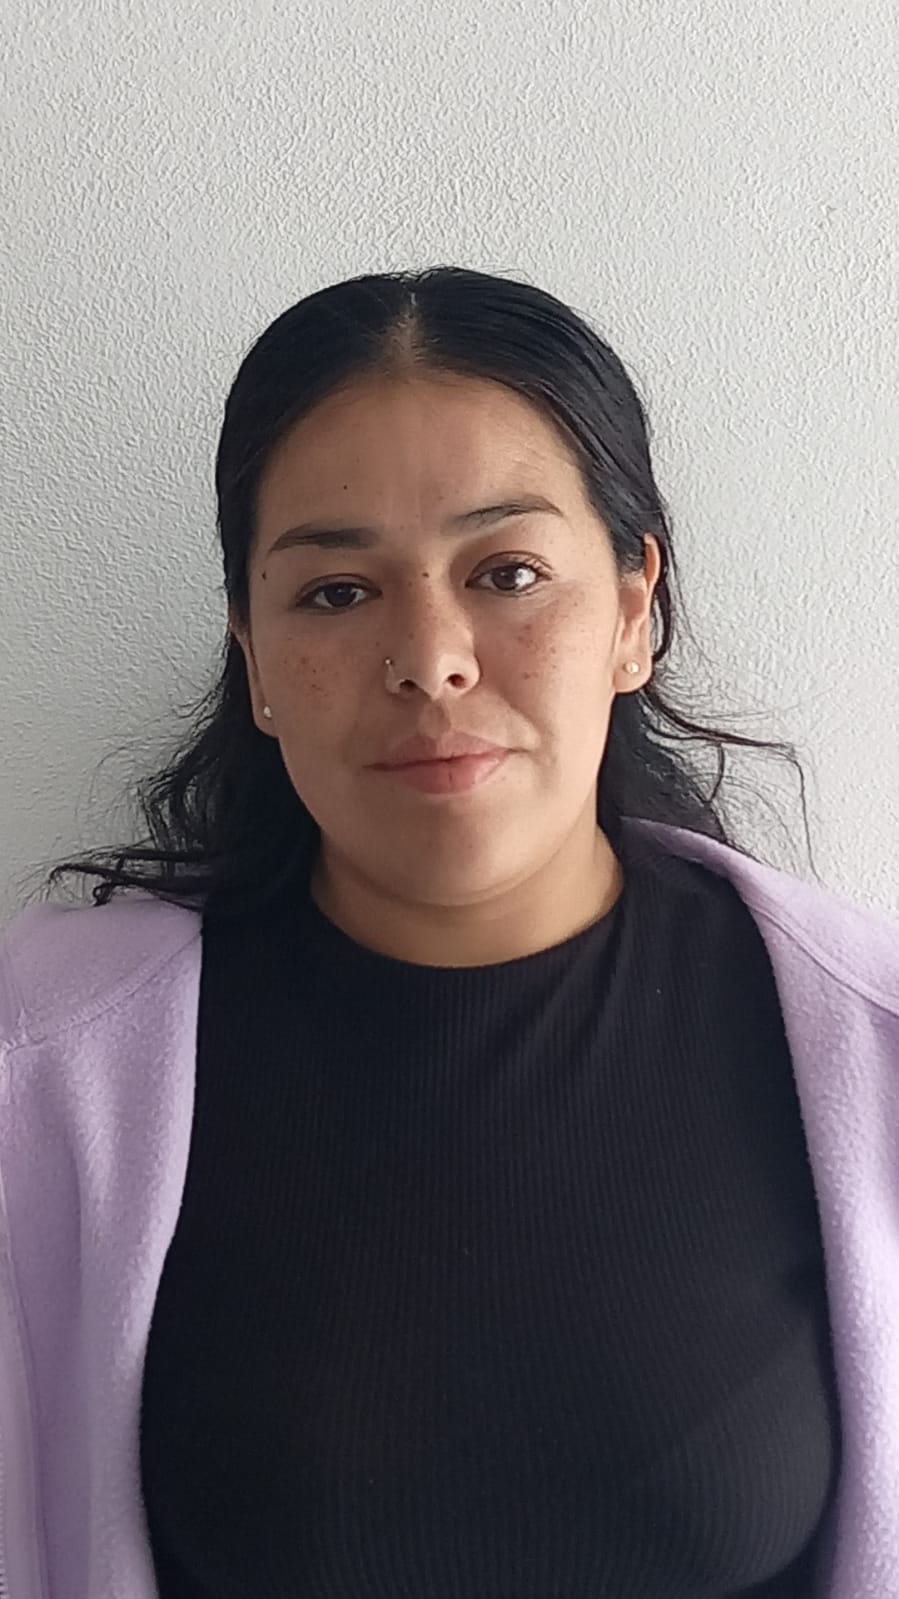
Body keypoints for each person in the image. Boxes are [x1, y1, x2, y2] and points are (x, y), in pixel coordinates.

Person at [1, 266, 897, 1599]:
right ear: (252, 651)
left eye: (509, 573)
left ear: (633, 611)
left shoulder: (870, 1052)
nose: (431, 657)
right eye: (336, 591)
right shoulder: (41, 1078)